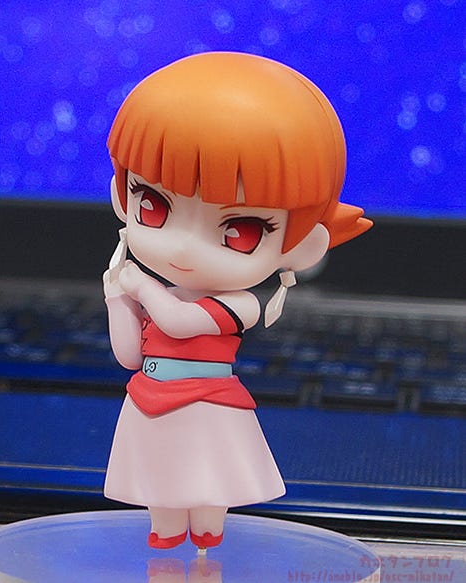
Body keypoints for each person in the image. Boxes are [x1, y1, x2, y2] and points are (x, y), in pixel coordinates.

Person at [102, 52, 372, 550]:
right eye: (153, 206)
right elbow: (129, 356)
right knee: (160, 482)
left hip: (209, 405)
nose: (184, 249)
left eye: (239, 231)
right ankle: (166, 543)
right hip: (148, 401)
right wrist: (116, 301)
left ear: (299, 247)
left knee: (210, 481)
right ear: (123, 197)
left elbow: (178, 322)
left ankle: (207, 543)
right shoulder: (154, 293)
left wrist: (138, 288)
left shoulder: (240, 305)